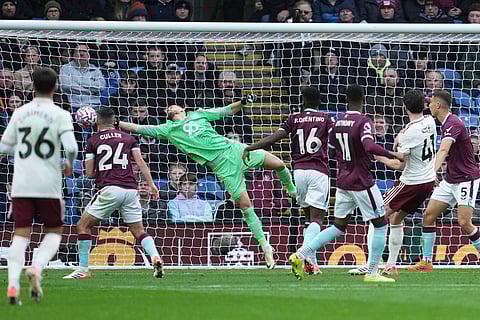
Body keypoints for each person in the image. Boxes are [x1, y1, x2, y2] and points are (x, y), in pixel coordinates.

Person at [119, 94, 297, 269]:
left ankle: (292, 190)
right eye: (167, 109)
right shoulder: (168, 129)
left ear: (183, 109)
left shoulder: (199, 114)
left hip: (235, 150)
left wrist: (243, 102)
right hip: (222, 167)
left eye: (172, 106)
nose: (168, 108)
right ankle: (265, 245)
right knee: (245, 205)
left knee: (279, 164)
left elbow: (226, 110)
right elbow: (138, 128)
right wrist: (117, 123)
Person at [288, 84, 402, 282]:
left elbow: (331, 151)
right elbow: (368, 145)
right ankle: (373, 273)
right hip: (361, 181)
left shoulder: (339, 122)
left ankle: (300, 254)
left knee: (339, 226)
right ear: (363, 99)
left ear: (346, 100)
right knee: (381, 224)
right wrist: (393, 154)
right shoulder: (364, 121)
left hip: (342, 180)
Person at [1, 67, 78, 305]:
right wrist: (68, 164)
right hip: (48, 183)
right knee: (54, 231)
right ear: (55, 87)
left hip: (22, 183)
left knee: (20, 234)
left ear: (32, 86)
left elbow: (4, 146)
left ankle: (13, 287)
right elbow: (72, 147)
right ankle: (37, 266)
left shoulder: (20, 112)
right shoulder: (61, 114)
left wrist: (24, 152)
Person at [63, 107, 164, 280]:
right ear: (114, 120)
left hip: (110, 189)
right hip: (131, 190)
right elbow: (140, 163)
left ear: (96, 122)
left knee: (82, 226)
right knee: (139, 231)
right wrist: (152, 185)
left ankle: (82, 269)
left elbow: (89, 173)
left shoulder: (93, 140)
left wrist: (104, 170)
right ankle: (155, 256)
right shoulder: (129, 138)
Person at [245, 87, 334, 275]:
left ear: (302, 100)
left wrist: (250, 147)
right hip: (319, 171)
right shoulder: (326, 119)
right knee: (318, 218)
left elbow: (273, 139)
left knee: (308, 218)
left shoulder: (294, 119)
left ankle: (313, 262)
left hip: (299, 172)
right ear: (320, 101)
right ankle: (302, 255)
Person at [349, 89, 437, 276]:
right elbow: (410, 134)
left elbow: (398, 164)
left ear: (404, 107)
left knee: (377, 215)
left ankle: (371, 263)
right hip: (428, 181)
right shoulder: (430, 122)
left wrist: (376, 155)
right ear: (424, 106)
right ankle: (390, 265)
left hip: (410, 182)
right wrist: (399, 137)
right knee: (396, 219)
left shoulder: (409, 134)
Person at [408, 90, 480, 272]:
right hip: (451, 180)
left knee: (464, 222)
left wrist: (430, 173)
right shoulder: (443, 124)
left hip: (466, 179)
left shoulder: (453, 124)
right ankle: (426, 262)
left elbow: (443, 151)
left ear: (438, 105)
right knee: (428, 215)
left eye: (430, 102)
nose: (428, 105)